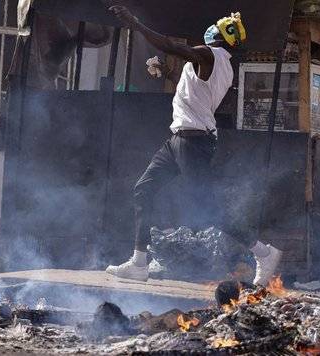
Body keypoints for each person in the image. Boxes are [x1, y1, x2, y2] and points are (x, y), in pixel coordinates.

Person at [105, 6, 283, 285]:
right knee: (144, 191)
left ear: (221, 36)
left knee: (208, 209)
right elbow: (192, 91)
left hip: (193, 142)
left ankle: (264, 252)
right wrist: (165, 72)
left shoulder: (209, 53)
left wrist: (135, 24)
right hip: (179, 139)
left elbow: (169, 45)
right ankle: (139, 264)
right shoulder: (222, 67)